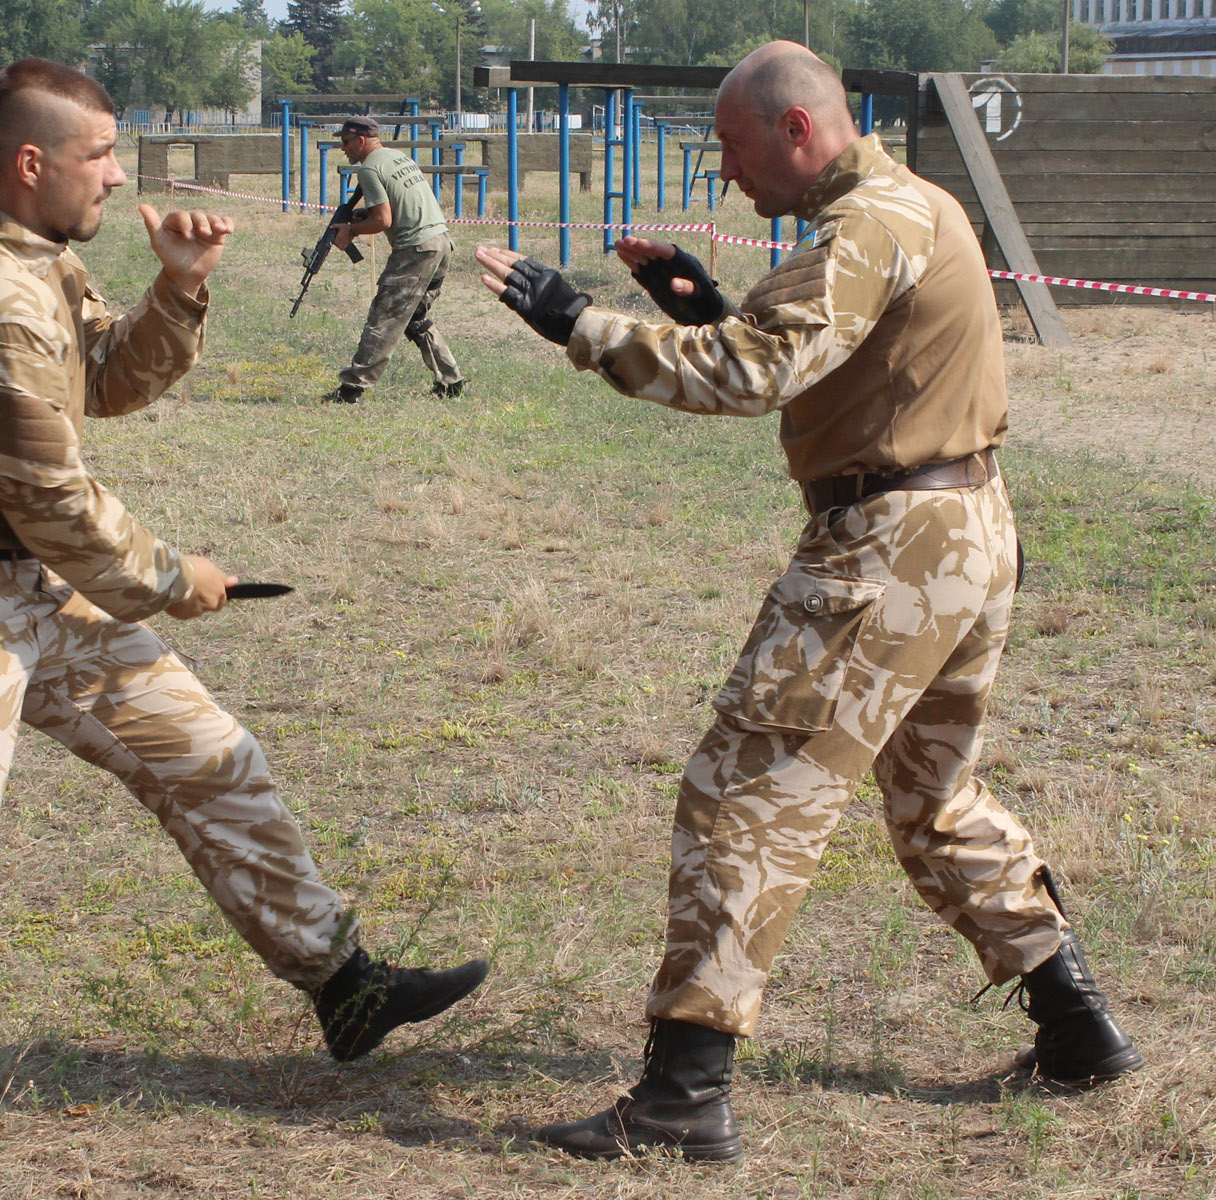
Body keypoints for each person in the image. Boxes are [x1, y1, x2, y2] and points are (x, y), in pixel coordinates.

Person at [0, 57, 488, 1167]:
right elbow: (52, 501)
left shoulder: (33, 259)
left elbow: (109, 383)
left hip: (34, 588)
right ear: (32, 163)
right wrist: (178, 581)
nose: (119, 179)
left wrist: (175, 290)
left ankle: (345, 988)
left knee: (211, 757)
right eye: (101, 156)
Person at [478, 40, 1140, 1163]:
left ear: (796, 132)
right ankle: (1076, 1027)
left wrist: (576, 323)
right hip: (963, 529)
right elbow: (836, 356)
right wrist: (700, 302)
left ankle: (683, 1093)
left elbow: (750, 374)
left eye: (732, 150)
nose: (726, 176)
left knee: (743, 791)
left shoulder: (867, 222)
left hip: (888, 549)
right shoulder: (911, 205)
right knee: (936, 798)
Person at [321, 115, 464, 404]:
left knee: (384, 316)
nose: (343, 148)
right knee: (415, 317)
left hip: (416, 249)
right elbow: (395, 208)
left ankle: (352, 389)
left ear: (361, 141)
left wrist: (351, 230)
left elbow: (383, 221)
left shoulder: (369, 169)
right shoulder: (397, 158)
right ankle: (451, 382)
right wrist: (362, 218)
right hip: (441, 243)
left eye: (346, 142)